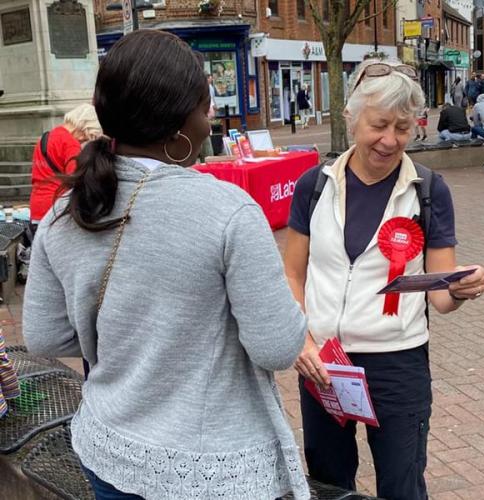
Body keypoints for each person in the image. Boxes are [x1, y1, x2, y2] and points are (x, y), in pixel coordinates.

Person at [23, 30, 310, 500]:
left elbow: (44, 336)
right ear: (182, 123)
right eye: (205, 106)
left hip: (107, 449)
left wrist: (124, 330)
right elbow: (277, 347)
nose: (210, 117)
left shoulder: (66, 210)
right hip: (212, 470)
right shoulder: (227, 210)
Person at [284, 59, 484, 500]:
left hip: (398, 363)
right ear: (352, 118)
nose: (390, 140)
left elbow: (440, 295)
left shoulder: (428, 190)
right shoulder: (312, 186)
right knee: (328, 482)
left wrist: (460, 287)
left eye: (402, 127)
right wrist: (302, 341)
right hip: (324, 362)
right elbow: (292, 273)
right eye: (379, 125)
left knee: (401, 485)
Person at [29, 103, 101, 231]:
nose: (83, 142)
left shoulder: (45, 138)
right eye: (85, 137)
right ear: (83, 127)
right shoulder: (70, 144)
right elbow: (76, 180)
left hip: (36, 207)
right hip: (57, 210)